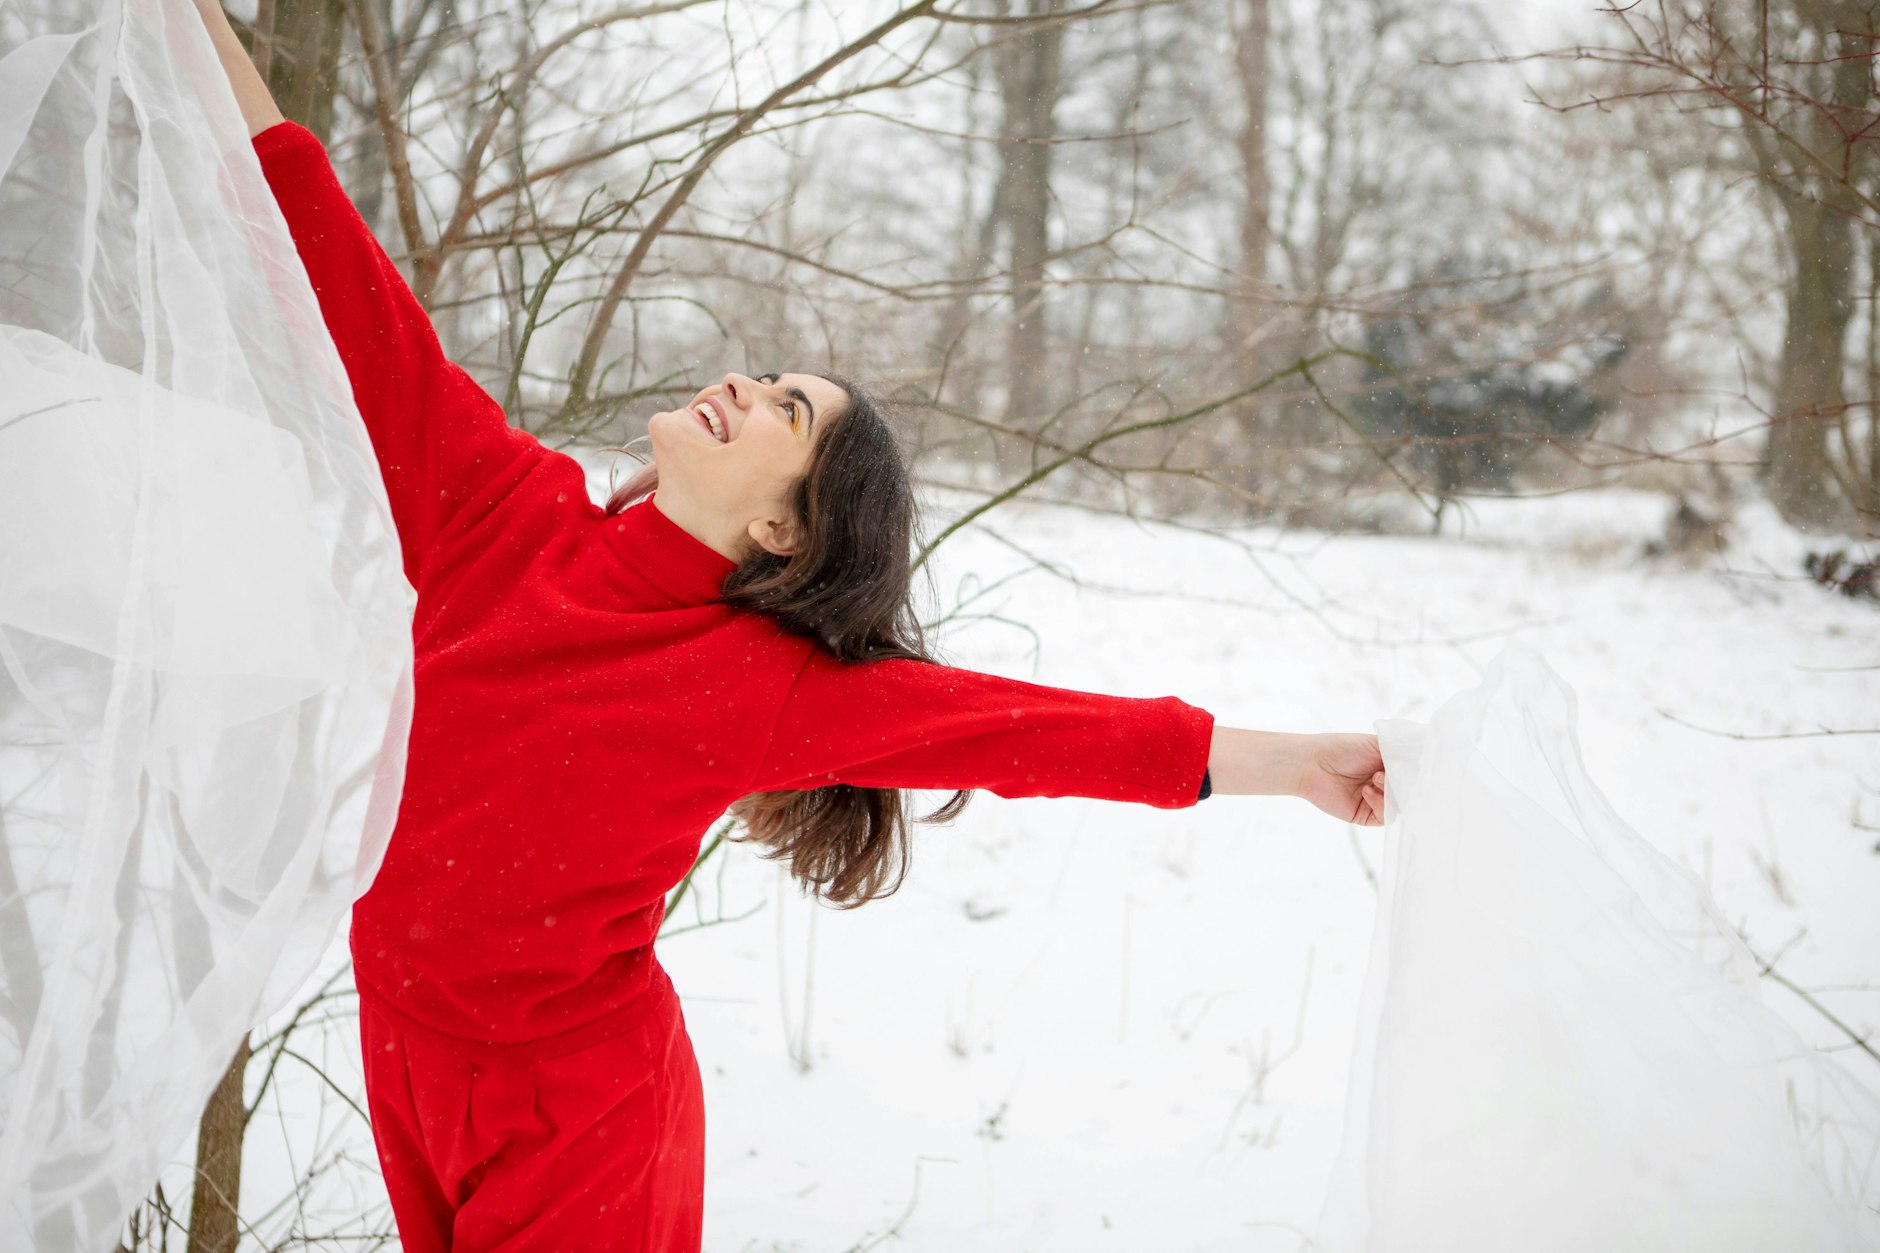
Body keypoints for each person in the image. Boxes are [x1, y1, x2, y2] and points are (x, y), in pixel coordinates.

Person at [193, 4, 1386, 1249]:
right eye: (764, 377)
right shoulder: (497, 511)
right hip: (406, 1050)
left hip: (576, 1114)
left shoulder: (751, 684)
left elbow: (1029, 733)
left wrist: (1296, 762)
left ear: (783, 530)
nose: (741, 386)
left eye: (783, 411)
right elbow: (316, 238)